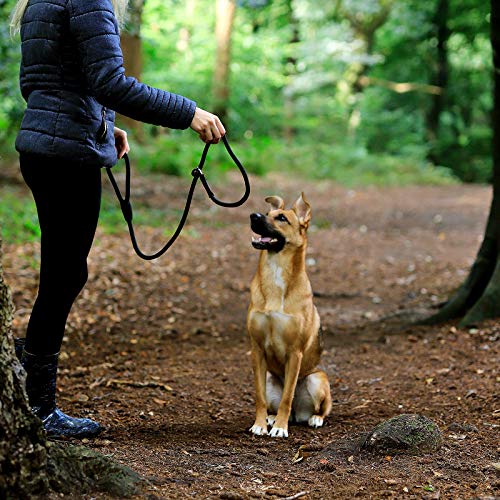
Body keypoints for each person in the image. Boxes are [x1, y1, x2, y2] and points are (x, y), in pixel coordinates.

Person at [10, 0, 225, 439]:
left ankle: (24, 373)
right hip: (66, 156)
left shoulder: (38, 0)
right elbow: (110, 82)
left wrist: (103, 125)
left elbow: (44, 81)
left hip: (46, 149)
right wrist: (189, 113)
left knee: (63, 273)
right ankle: (39, 404)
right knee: (64, 275)